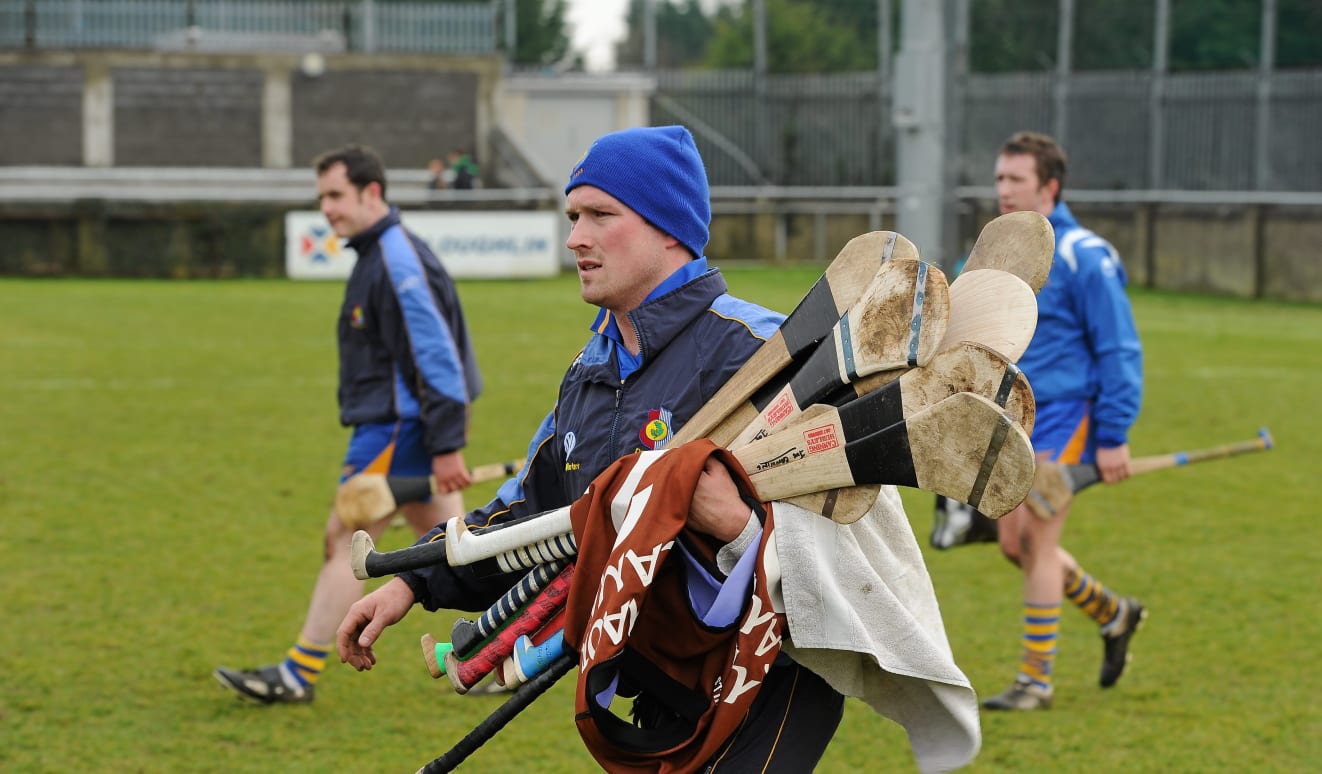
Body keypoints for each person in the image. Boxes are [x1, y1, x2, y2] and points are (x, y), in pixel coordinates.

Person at [335, 126, 980, 770]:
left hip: (770, 682)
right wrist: (414, 583)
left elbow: (855, 533)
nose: (575, 237)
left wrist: (740, 525)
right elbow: (536, 515)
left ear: (668, 229)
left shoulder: (757, 350)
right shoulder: (591, 370)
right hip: (660, 682)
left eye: (599, 216)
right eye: (572, 216)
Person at [214, 144, 483, 704]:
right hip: (403, 427)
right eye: (322, 197)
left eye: (336, 195)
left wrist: (447, 445)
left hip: (395, 431)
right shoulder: (379, 253)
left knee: (346, 540)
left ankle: (296, 674)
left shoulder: (394, 258)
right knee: (458, 546)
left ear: (372, 193)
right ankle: (500, 653)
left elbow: (437, 358)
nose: (327, 209)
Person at [980, 131, 1146, 711]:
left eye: (1015, 179)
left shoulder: (1085, 256)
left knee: (1037, 540)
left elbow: (1119, 347)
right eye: (999, 178)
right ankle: (1114, 613)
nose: (1002, 189)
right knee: (1013, 544)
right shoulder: (994, 251)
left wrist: (1115, 434)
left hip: (1067, 419)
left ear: (1048, 187)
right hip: (1011, 419)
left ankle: (1034, 682)